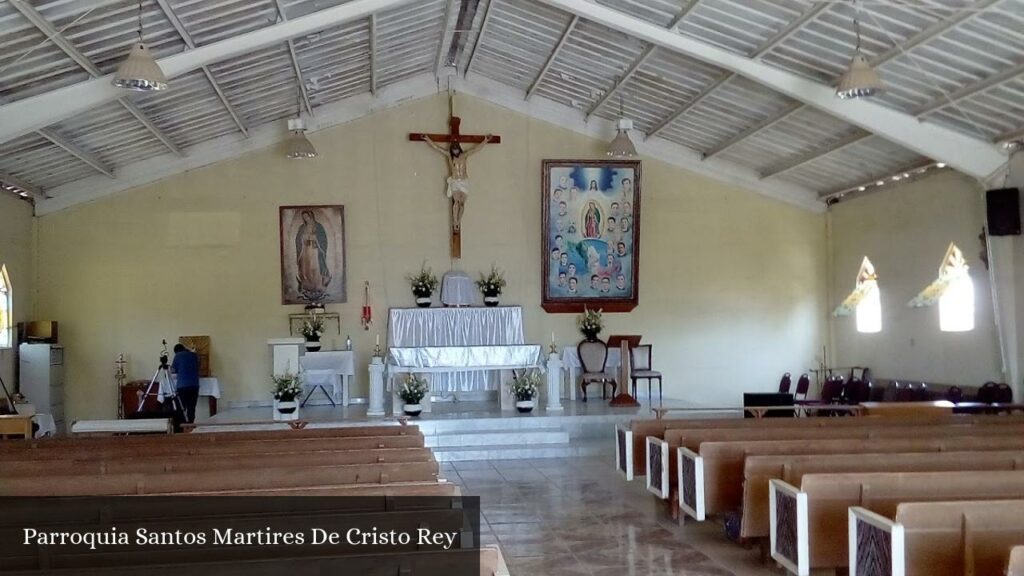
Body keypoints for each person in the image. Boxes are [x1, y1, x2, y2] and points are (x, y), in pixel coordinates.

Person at [171, 344, 200, 424]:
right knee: (191, 407)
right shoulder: (194, 355)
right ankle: (190, 425)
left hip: (182, 385)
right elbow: (198, 367)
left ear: (176, 351)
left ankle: (182, 427)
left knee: (181, 407)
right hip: (194, 385)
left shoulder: (178, 356)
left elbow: (173, 370)